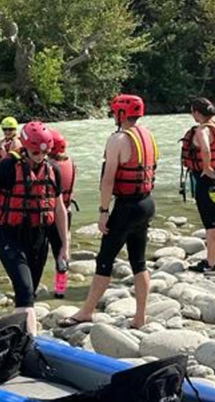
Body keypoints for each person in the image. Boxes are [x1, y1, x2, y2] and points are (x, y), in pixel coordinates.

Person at [0, 121, 69, 335]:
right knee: (25, 292)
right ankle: (27, 344)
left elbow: (60, 209)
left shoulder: (52, 169)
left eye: (45, 151)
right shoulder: (8, 167)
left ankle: (20, 336)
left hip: (39, 239)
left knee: (28, 295)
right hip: (10, 237)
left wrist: (64, 245)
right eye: (36, 151)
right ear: (25, 146)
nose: (40, 155)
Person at [59, 94, 158, 329]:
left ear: (121, 114)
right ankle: (140, 317)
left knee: (105, 260)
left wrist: (103, 211)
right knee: (139, 261)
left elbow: (108, 180)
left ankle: (86, 312)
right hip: (146, 203)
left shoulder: (118, 139)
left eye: (115, 112)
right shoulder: (147, 135)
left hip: (126, 207)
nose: (113, 115)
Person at [180, 98, 215, 274]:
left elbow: (205, 149)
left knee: (210, 224)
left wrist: (207, 167)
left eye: (192, 111)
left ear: (196, 112)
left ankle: (210, 265)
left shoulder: (202, 130)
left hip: (207, 179)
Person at [47, 128, 77, 298]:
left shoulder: (50, 167)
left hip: (50, 214)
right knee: (61, 250)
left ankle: (33, 286)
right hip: (66, 211)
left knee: (41, 249)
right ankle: (60, 289)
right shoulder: (72, 163)